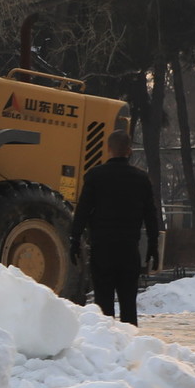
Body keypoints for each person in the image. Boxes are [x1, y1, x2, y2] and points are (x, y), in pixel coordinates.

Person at [69, 129, 161, 325]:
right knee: (128, 303)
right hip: (129, 249)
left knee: (103, 303)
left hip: (102, 248)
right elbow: (151, 215)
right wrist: (153, 245)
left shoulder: (95, 176)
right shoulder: (141, 179)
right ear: (129, 150)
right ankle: (130, 344)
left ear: (108, 148)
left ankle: (108, 344)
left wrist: (74, 239)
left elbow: (83, 212)